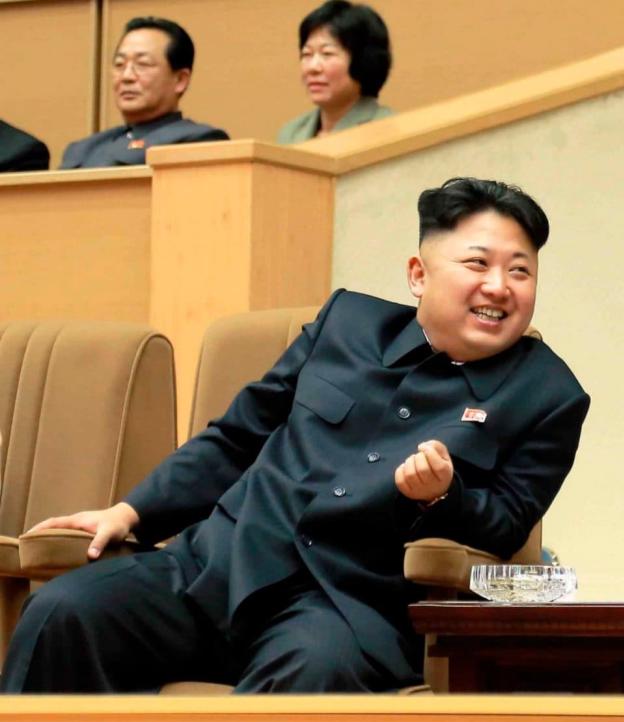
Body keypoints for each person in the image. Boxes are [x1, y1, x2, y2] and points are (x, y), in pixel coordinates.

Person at [2, 177, 590, 693]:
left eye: (520, 270)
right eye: (478, 264)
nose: (499, 286)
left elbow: (510, 522)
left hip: (342, 606)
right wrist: (131, 512)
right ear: (418, 274)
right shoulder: (347, 323)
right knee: (64, 611)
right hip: (217, 566)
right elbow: (237, 436)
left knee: (309, 674)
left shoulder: (549, 396)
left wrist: (443, 497)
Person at [60, 17, 227, 169]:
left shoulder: (199, 140)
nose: (126, 76)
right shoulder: (83, 148)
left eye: (142, 64)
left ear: (180, 80)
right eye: (119, 64)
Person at [277, 1, 393, 144]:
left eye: (327, 54)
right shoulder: (292, 133)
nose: (312, 67)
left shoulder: (388, 129)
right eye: (307, 54)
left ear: (364, 61)